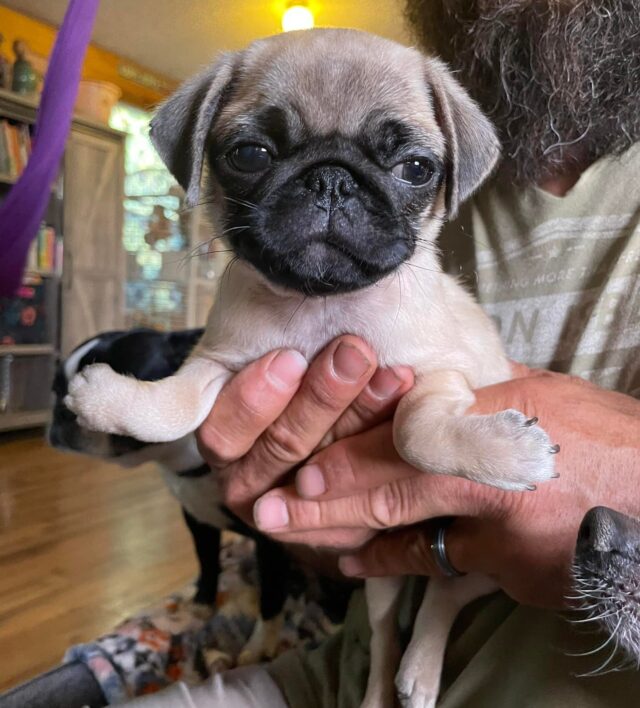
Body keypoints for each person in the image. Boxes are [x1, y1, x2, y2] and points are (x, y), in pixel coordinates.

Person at [124, 1, 640, 706]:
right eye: (253, 153)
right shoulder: (434, 111)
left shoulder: (445, 124)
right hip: (340, 670)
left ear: (449, 171)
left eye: (408, 168)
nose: (332, 196)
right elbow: (327, 536)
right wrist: (303, 513)